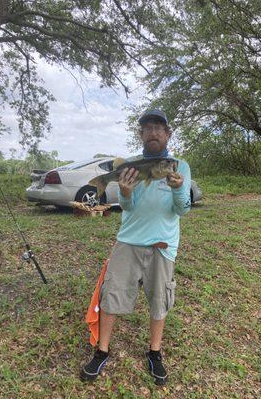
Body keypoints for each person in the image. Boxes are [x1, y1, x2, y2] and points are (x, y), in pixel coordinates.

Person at [80, 109, 191, 385]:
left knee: (159, 301)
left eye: (158, 128)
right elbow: (127, 207)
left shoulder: (179, 166)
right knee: (112, 296)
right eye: (147, 128)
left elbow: (183, 209)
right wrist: (125, 193)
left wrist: (178, 189)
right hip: (127, 243)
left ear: (168, 134)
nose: (153, 132)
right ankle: (102, 350)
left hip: (163, 246)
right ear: (141, 134)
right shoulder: (130, 166)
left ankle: (155, 353)